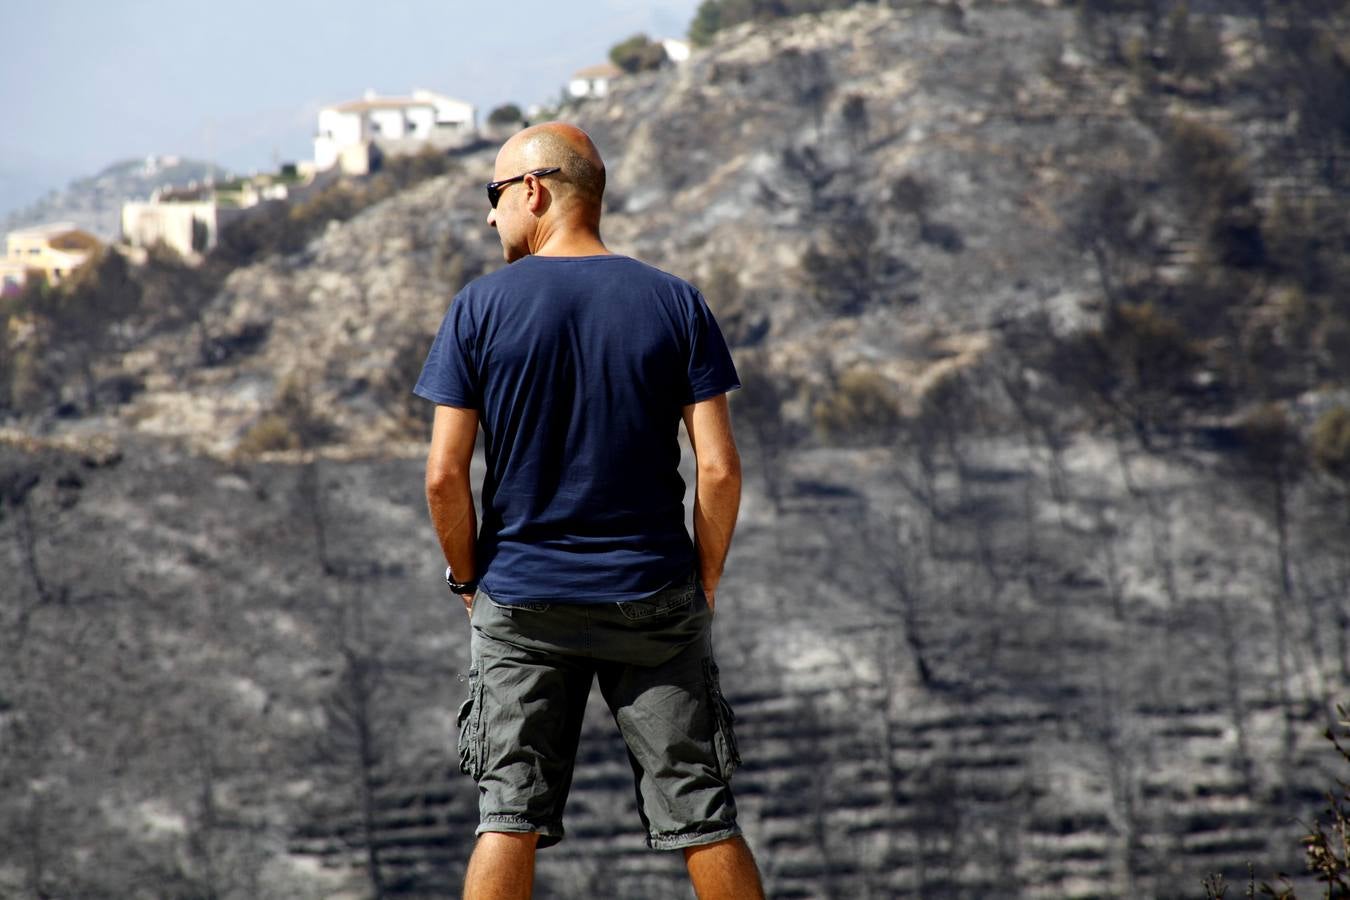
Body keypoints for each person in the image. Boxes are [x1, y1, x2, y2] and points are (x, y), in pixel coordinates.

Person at [414, 122, 765, 900]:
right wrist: (702, 581)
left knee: (508, 817)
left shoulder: (478, 308)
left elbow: (444, 476)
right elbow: (719, 468)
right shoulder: (676, 302)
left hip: (523, 597)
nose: (489, 217)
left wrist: (469, 582)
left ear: (533, 190)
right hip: (654, 594)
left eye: (494, 196)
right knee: (704, 815)